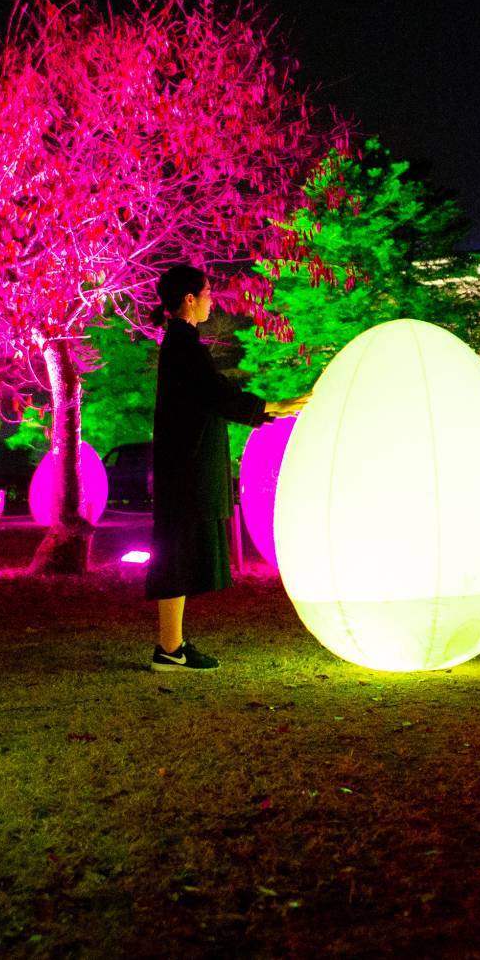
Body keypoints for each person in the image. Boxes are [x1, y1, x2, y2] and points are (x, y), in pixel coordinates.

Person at [146, 263, 305, 672]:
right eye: (208, 293)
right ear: (189, 299)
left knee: (177, 553)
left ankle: (172, 645)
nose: (211, 300)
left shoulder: (181, 343)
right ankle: (170, 648)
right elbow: (215, 394)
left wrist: (264, 411)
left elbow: (213, 395)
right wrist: (271, 407)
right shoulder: (183, 345)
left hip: (182, 468)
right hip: (185, 470)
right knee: (176, 553)